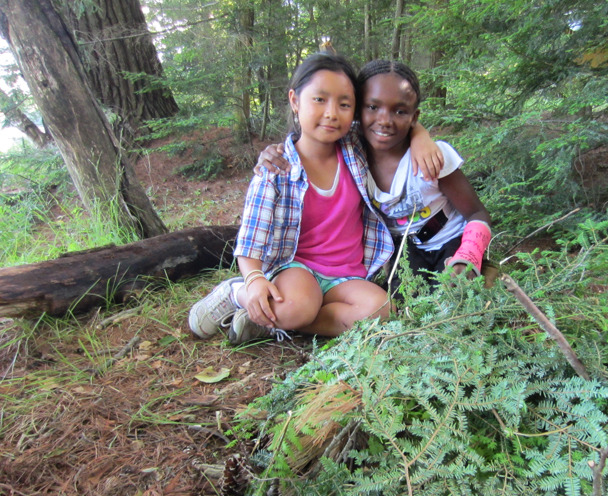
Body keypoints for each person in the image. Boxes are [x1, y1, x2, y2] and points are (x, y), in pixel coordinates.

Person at [188, 53, 440, 344]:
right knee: (298, 306)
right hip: (297, 269)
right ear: (295, 101)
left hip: (348, 275)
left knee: (382, 311)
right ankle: (236, 295)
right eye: (319, 100)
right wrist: (254, 280)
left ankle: (270, 321)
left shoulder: (355, 148)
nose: (332, 113)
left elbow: (389, 124)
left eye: (344, 104)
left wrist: (420, 134)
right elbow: (251, 238)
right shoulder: (276, 170)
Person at [258, 59, 491, 291]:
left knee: (458, 294)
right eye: (372, 107)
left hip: (452, 242)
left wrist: (468, 255)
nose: (385, 120)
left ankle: (486, 271)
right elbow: (312, 140)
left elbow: (477, 212)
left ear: (414, 117)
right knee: (406, 302)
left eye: (400, 111)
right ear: (358, 110)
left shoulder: (432, 157)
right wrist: (275, 153)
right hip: (401, 252)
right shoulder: (350, 155)